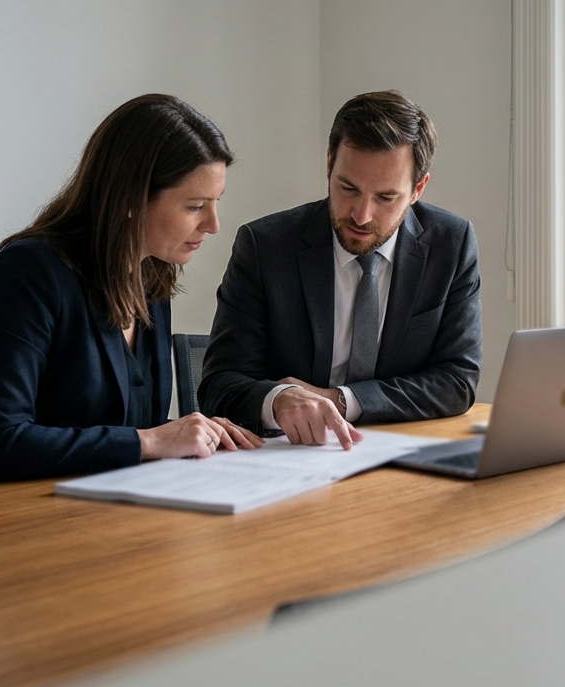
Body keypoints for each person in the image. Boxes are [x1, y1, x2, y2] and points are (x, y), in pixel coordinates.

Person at [0, 94, 262, 494]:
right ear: (131, 198)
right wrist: (151, 441)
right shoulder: (26, 274)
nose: (213, 225)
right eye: (195, 206)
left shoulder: (151, 278)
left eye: (215, 203)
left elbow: (132, 432)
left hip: (84, 513)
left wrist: (190, 435)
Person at [199, 90, 482, 448]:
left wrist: (339, 400)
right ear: (329, 163)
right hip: (289, 457)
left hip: (400, 450)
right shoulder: (265, 247)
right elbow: (218, 386)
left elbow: (457, 380)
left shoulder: (451, 244)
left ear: (417, 189)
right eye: (348, 188)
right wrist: (279, 400)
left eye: (385, 197)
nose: (361, 215)